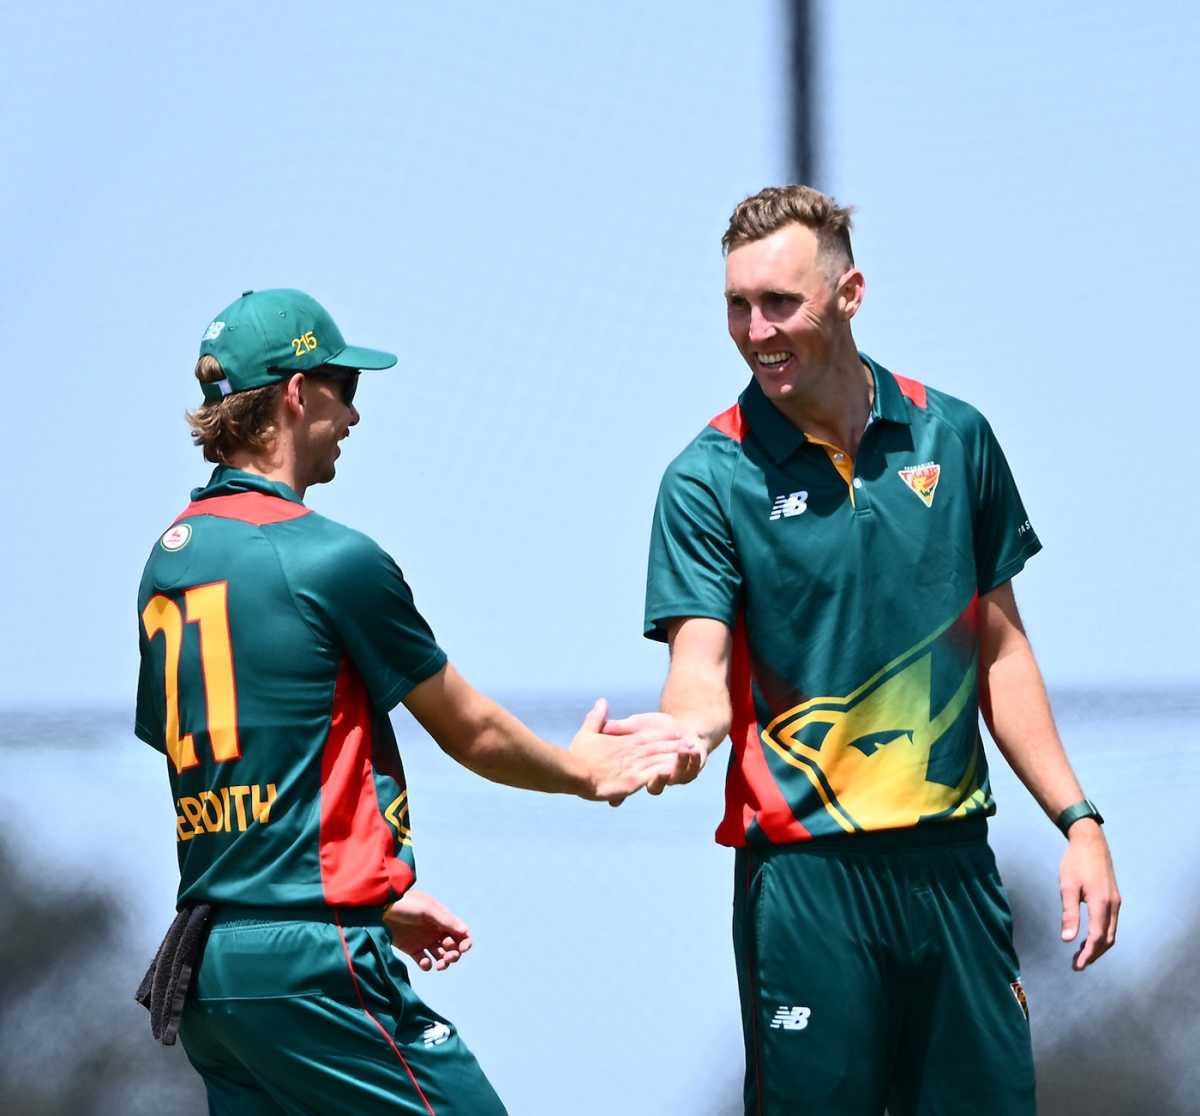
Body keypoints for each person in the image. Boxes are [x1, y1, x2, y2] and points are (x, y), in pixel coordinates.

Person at [608, 186, 1121, 1115]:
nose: (755, 330)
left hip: (955, 870)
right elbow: (699, 673)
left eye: (779, 304)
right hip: (807, 885)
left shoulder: (953, 436)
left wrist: (1077, 820)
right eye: (736, 305)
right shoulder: (705, 477)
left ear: (849, 295)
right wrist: (680, 739)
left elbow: (1002, 651)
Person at [134, 287, 697, 1115]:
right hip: (313, 967)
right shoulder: (328, 558)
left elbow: (243, 763)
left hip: (215, 971)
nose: (354, 417)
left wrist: (379, 894)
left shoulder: (169, 562)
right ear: (295, 392)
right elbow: (470, 731)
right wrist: (585, 771)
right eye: (344, 389)